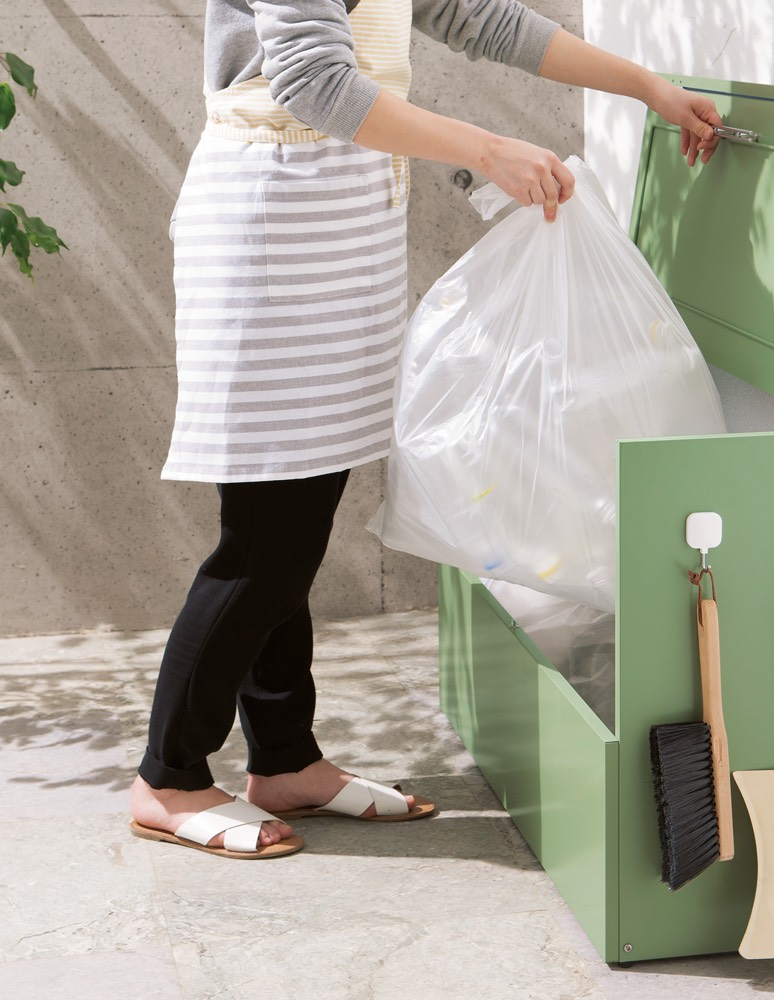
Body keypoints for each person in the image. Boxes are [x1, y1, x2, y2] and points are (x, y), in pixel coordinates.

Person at [130, 0, 724, 859]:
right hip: (276, 233)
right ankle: (169, 775)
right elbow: (312, 79)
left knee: (292, 523)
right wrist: (489, 150)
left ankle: (285, 759)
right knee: (266, 541)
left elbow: (473, 15)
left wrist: (645, 86)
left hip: (337, 229)